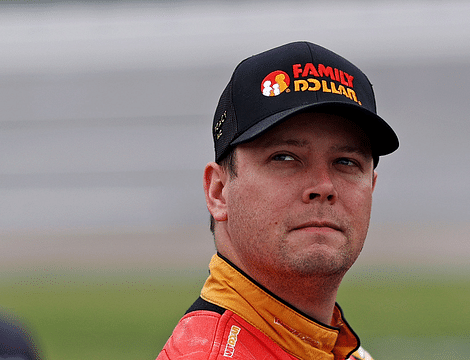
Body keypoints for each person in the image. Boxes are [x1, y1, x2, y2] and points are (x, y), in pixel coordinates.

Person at [157, 41, 399, 360]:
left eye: (345, 162)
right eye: (284, 158)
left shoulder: (333, 347)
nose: (323, 187)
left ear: (371, 188)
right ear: (218, 191)